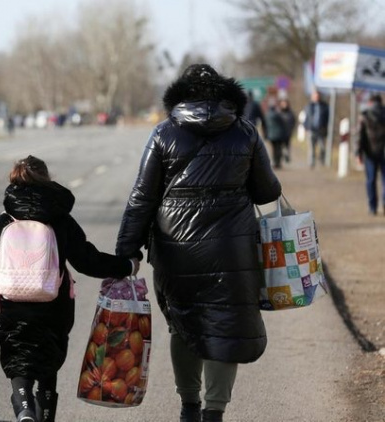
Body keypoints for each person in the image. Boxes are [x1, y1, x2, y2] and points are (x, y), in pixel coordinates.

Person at [116, 64, 281, 422]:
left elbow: (141, 198)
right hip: (232, 246)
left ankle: (189, 406)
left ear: (180, 95)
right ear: (225, 94)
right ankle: (214, 412)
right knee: (226, 322)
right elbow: (267, 190)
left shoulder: (163, 134)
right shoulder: (245, 133)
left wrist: (126, 252)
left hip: (177, 248)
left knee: (183, 323)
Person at [0, 156, 138, 422]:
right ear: (46, 180)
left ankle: (25, 411)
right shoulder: (60, 220)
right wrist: (127, 266)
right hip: (54, 305)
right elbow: (88, 260)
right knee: (48, 363)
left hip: (12, 306)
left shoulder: (3, 223)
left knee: (19, 360)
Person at [355, 93, 385, 215]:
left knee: (371, 180)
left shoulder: (365, 116)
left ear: (370, 102)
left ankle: (372, 207)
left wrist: (358, 153)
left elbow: (360, 136)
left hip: (370, 154)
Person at [304, 90, 330, 168]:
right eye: (315, 96)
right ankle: (311, 163)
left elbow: (328, 118)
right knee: (311, 148)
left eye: (317, 96)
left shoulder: (325, 106)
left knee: (322, 147)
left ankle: (322, 160)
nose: (316, 97)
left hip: (321, 129)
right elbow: (306, 118)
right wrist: (306, 127)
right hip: (311, 129)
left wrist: (326, 128)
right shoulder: (308, 106)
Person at [264, 99, 287, 169]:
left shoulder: (267, 115)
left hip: (271, 135)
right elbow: (283, 124)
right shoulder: (277, 114)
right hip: (278, 135)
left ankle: (274, 162)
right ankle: (278, 162)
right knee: (278, 149)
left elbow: (265, 126)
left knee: (273, 149)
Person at [278, 99, 296, 163]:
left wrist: (291, 129)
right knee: (280, 147)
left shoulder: (290, 113)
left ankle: (287, 156)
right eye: (283, 104)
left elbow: (293, 121)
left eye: (285, 104)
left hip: (288, 132)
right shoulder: (278, 113)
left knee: (287, 146)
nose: (284, 105)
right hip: (280, 133)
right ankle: (280, 158)